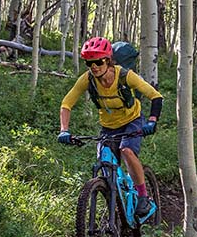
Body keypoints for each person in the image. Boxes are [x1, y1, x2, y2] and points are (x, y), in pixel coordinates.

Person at [58, 36, 163, 218]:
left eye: (98, 62)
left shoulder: (125, 75)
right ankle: (116, 206)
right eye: (89, 63)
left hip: (132, 120)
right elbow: (67, 103)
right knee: (104, 162)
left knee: (127, 151)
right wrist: (64, 130)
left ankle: (143, 196)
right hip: (108, 127)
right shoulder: (88, 79)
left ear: (108, 60)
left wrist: (152, 120)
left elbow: (155, 96)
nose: (94, 67)